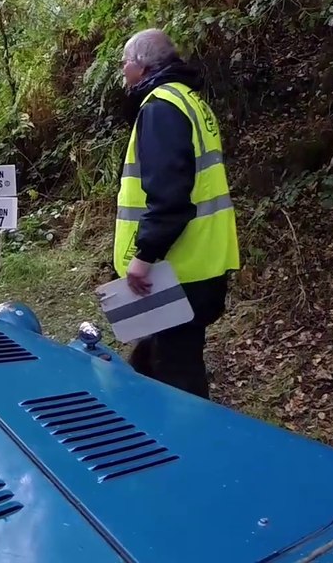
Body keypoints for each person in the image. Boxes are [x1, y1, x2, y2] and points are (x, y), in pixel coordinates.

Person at [113, 28, 239, 399]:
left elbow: (170, 196)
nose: (122, 69)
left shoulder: (160, 108)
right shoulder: (189, 100)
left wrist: (144, 255)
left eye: (124, 62)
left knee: (178, 374)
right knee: (157, 356)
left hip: (175, 270)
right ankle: (141, 421)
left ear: (141, 65)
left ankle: (193, 445)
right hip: (201, 263)